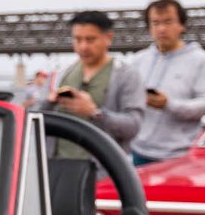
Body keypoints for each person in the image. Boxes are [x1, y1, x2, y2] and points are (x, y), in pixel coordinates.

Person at [128, 0, 205, 165]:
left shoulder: (200, 60)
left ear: (182, 25)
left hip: (180, 154)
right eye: (155, 23)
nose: (162, 29)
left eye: (168, 22)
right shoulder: (138, 60)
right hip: (140, 152)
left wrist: (168, 104)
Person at [49, 10, 143, 160]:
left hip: (104, 166)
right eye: (77, 39)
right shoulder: (61, 75)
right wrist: (48, 103)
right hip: (60, 164)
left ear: (108, 38)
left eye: (90, 39)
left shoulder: (126, 75)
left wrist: (94, 113)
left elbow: (133, 126)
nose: (83, 46)